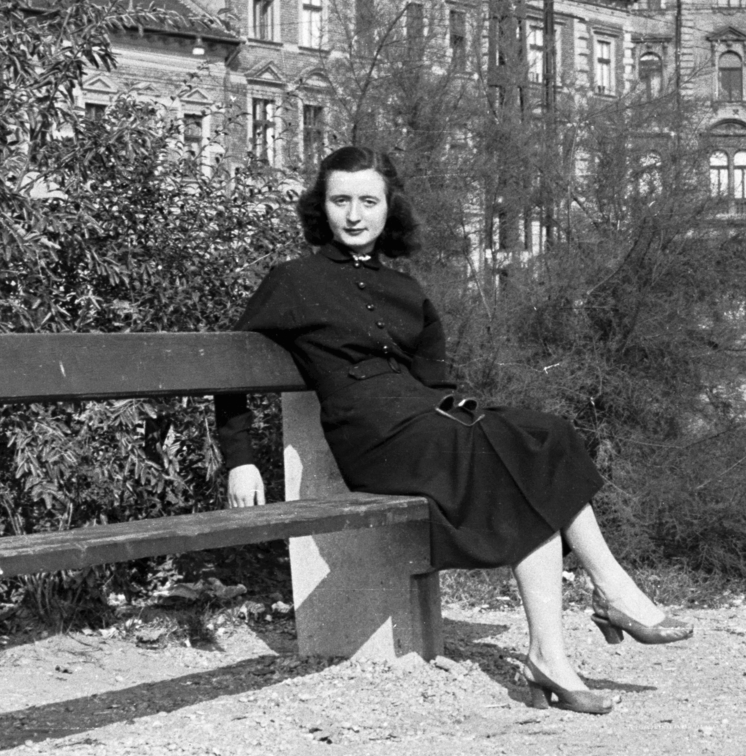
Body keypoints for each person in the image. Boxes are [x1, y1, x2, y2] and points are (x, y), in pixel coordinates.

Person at [214, 147, 691, 716]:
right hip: (373, 442)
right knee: (517, 455)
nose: (355, 215)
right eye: (341, 201)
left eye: (369, 201)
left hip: (428, 426)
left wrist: (464, 416)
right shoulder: (292, 282)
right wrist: (240, 457)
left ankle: (553, 653)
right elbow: (229, 368)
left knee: (547, 435)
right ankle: (609, 595)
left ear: (390, 209)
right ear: (322, 208)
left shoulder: (404, 290)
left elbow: (434, 381)